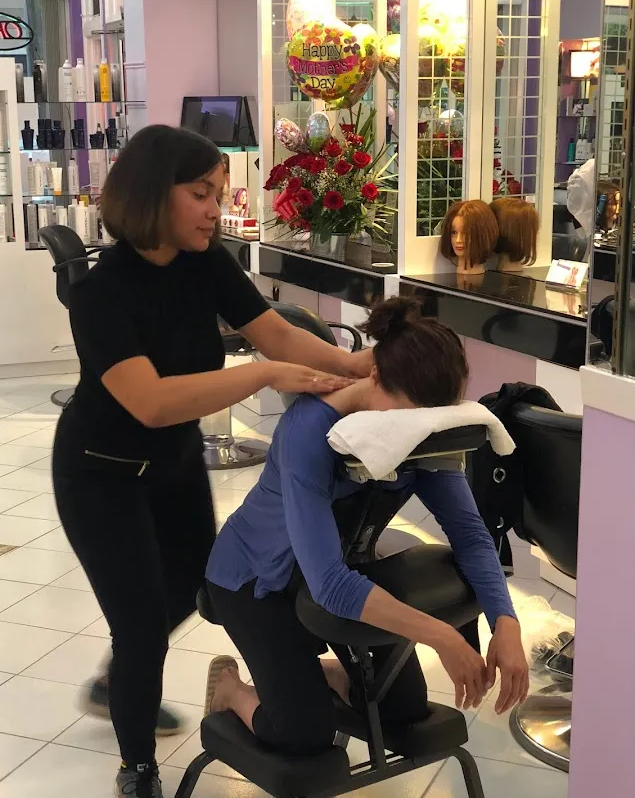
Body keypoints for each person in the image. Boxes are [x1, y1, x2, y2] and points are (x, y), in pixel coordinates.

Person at [52, 124, 372, 798]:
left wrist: (355, 366)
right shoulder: (99, 293)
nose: (215, 209)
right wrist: (260, 377)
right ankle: (137, 767)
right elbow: (151, 401)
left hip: (172, 464)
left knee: (196, 589)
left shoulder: (206, 262)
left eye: (219, 194)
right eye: (201, 194)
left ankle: (115, 682)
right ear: (151, 195)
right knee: (142, 629)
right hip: (100, 476)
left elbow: (275, 332)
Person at [205, 298, 529, 758]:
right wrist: (441, 635)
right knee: (302, 734)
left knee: (403, 710)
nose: (410, 431)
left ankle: (323, 677)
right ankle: (231, 689)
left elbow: (472, 537)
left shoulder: (425, 430)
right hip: (256, 581)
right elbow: (330, 585)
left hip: (345, 569)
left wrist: (506, 622)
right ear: (374, 375)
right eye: (402, 417)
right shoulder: (307, 432)